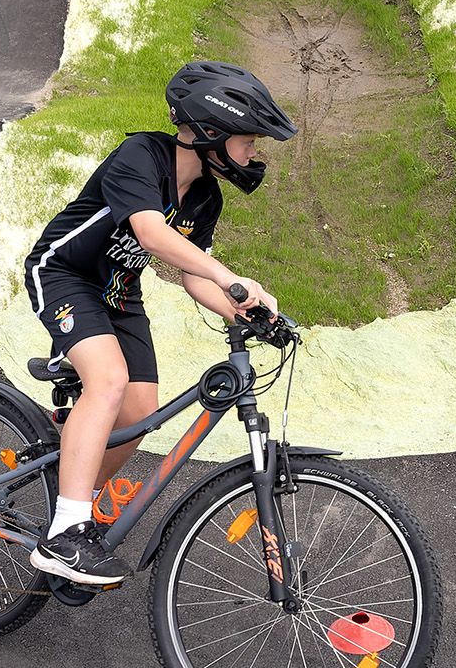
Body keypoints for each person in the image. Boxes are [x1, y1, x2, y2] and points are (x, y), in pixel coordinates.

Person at [23, 61, 299, 586]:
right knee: (109, 381)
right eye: (250, 140)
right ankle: (64, 533)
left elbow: (194, 274)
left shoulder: (205, 196)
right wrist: (228, 276)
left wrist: (247, 309)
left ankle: (74, 505)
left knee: (140, 412)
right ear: (213, 131)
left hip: (119, 292)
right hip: (64, 274)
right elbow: (150, 233)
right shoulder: (141, 155)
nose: (254, 152)